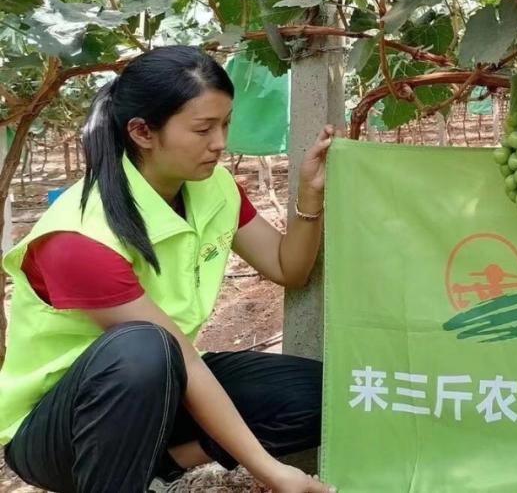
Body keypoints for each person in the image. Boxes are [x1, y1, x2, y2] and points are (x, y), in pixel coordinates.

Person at [0, 46, 336, 493]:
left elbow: (285, 266)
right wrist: (271, 471)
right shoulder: (79, 238)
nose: (220, 142)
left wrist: (310, 195)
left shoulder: (213, 187)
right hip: (59, 429)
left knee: (320, 396)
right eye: (203, 128)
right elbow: (176, 356)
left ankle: (162, 468)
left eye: (225, 123)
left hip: (161, 382)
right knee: (144, 346)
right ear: (142, 131)